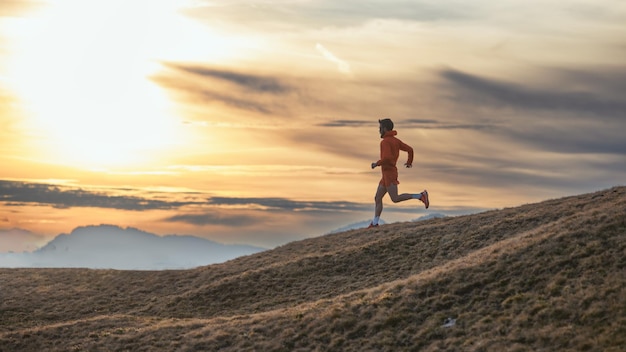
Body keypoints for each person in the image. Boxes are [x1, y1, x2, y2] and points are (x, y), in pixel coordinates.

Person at [368, 118, 429, 228]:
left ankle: (421, 196)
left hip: (390, 174)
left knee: (395, 198)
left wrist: (376, 164)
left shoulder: (385, 142)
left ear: (385, 129)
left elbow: (387, 158)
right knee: (377, 198)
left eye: (380, 128)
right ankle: (375, 223)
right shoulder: (396, 141)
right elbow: (410, 149)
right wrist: (409, 162)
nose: (379, 130)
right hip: (386, 175)